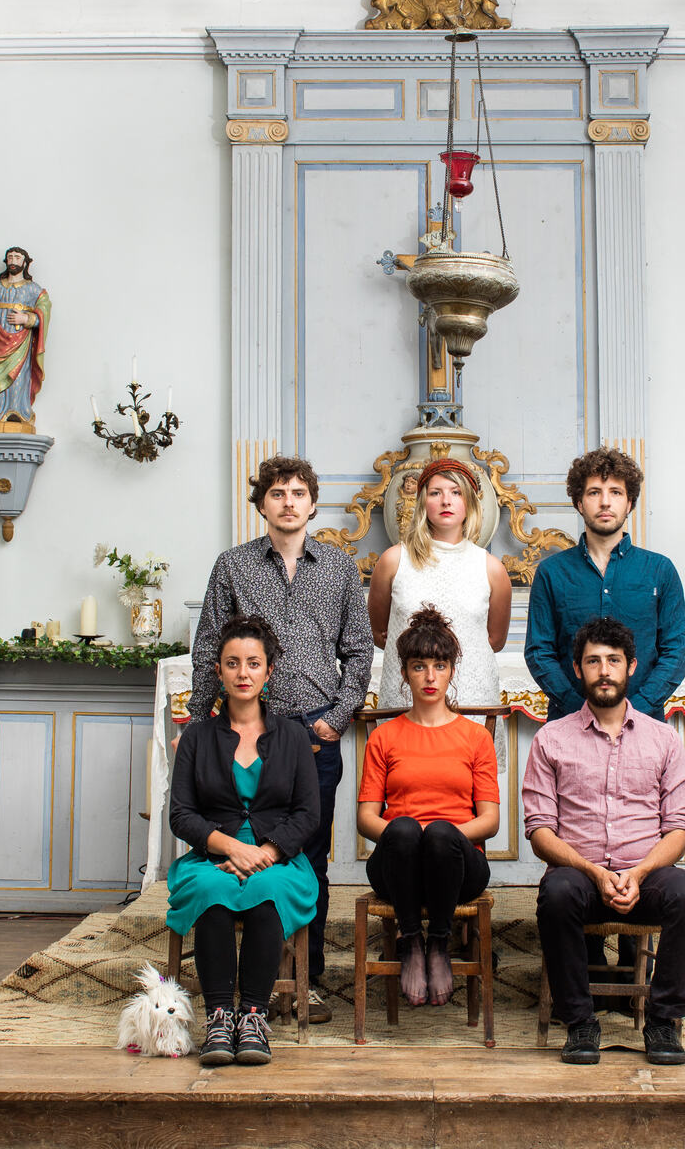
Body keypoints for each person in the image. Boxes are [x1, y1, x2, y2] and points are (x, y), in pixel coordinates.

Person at [190, 454, 374, 1022]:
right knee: (228, 847)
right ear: (262, 504)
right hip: (243, 730)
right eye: (277, 493)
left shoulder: (340, 569)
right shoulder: (233, 566)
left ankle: (305, 978)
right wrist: (200, 727)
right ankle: (236, 981)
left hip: (314, 733)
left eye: (298, 492)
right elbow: (207, 648)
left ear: (313, 503)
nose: (288, 502)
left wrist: (337, 717)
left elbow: (360, 650)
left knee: (305, 858)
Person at [522, 617, 685, 1066]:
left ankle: (663, 1023)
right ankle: (580, 1022)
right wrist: (593, 872)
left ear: (631, 667)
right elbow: (539, 830)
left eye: (613, 661)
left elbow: (679, 828)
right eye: (593, 661)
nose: (604, 671)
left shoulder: (663, 740)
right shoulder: (551, 739)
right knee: (558, 891)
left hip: (647, 875)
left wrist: (639, 873)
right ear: (577, 669)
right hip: (581, 877)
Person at [168, 615, 319, 1065]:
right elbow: (181, 815)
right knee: (214, 889)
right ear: (218, 671)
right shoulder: (196, 737)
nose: (243, 673)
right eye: (232, 663)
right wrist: (232, 848)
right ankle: (219, 1019)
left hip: (280, 858)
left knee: (266, 889)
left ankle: (253, 1017)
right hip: (212, 855)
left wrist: (266, 853)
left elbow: (308, 813)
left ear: (269, 671)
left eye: (253, 663)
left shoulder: (293, 736)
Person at [357, 605, 500, 1006]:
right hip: (397, 863)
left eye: (439, 665)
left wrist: (441, 836)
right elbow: (367, 818)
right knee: (402, 828)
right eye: (419, 667)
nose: (430, 676)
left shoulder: (475, 738)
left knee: (438, 832)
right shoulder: (385, 737)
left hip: (457, 865)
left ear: (452, 670)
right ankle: (412, 944)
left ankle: (438, 943)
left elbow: (489, 821)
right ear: (404, 673)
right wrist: (412, 838)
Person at [525, 446, 685, 723]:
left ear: (630, 503)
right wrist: (579, 710)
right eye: (594, 492)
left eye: (615, 492)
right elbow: (539, 652)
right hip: (569, 725)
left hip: (645, 725)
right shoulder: (551, 572)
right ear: (579, 502)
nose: (605, 502)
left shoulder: (660, 570)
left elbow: (675, 653)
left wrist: (635, 710)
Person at [369, 458, 511, 758]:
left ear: (469, 503)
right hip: (407, 698)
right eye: (435, 493)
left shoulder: (491, 568)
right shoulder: (394, 560)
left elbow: (494, 640)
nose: (446, 500)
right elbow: (380, 633)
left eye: (456, 492)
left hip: (472, 700)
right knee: (403, 786)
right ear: (422, 502)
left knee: (471, 792)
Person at [0, 247, 51, 425]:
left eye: (17, 257)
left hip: (20, 344)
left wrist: (27, 318)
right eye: (10, 257)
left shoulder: (32, 289)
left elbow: (45, 308)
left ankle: (17, 411)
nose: (13, 261)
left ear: (24, 263)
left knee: (18, 376)